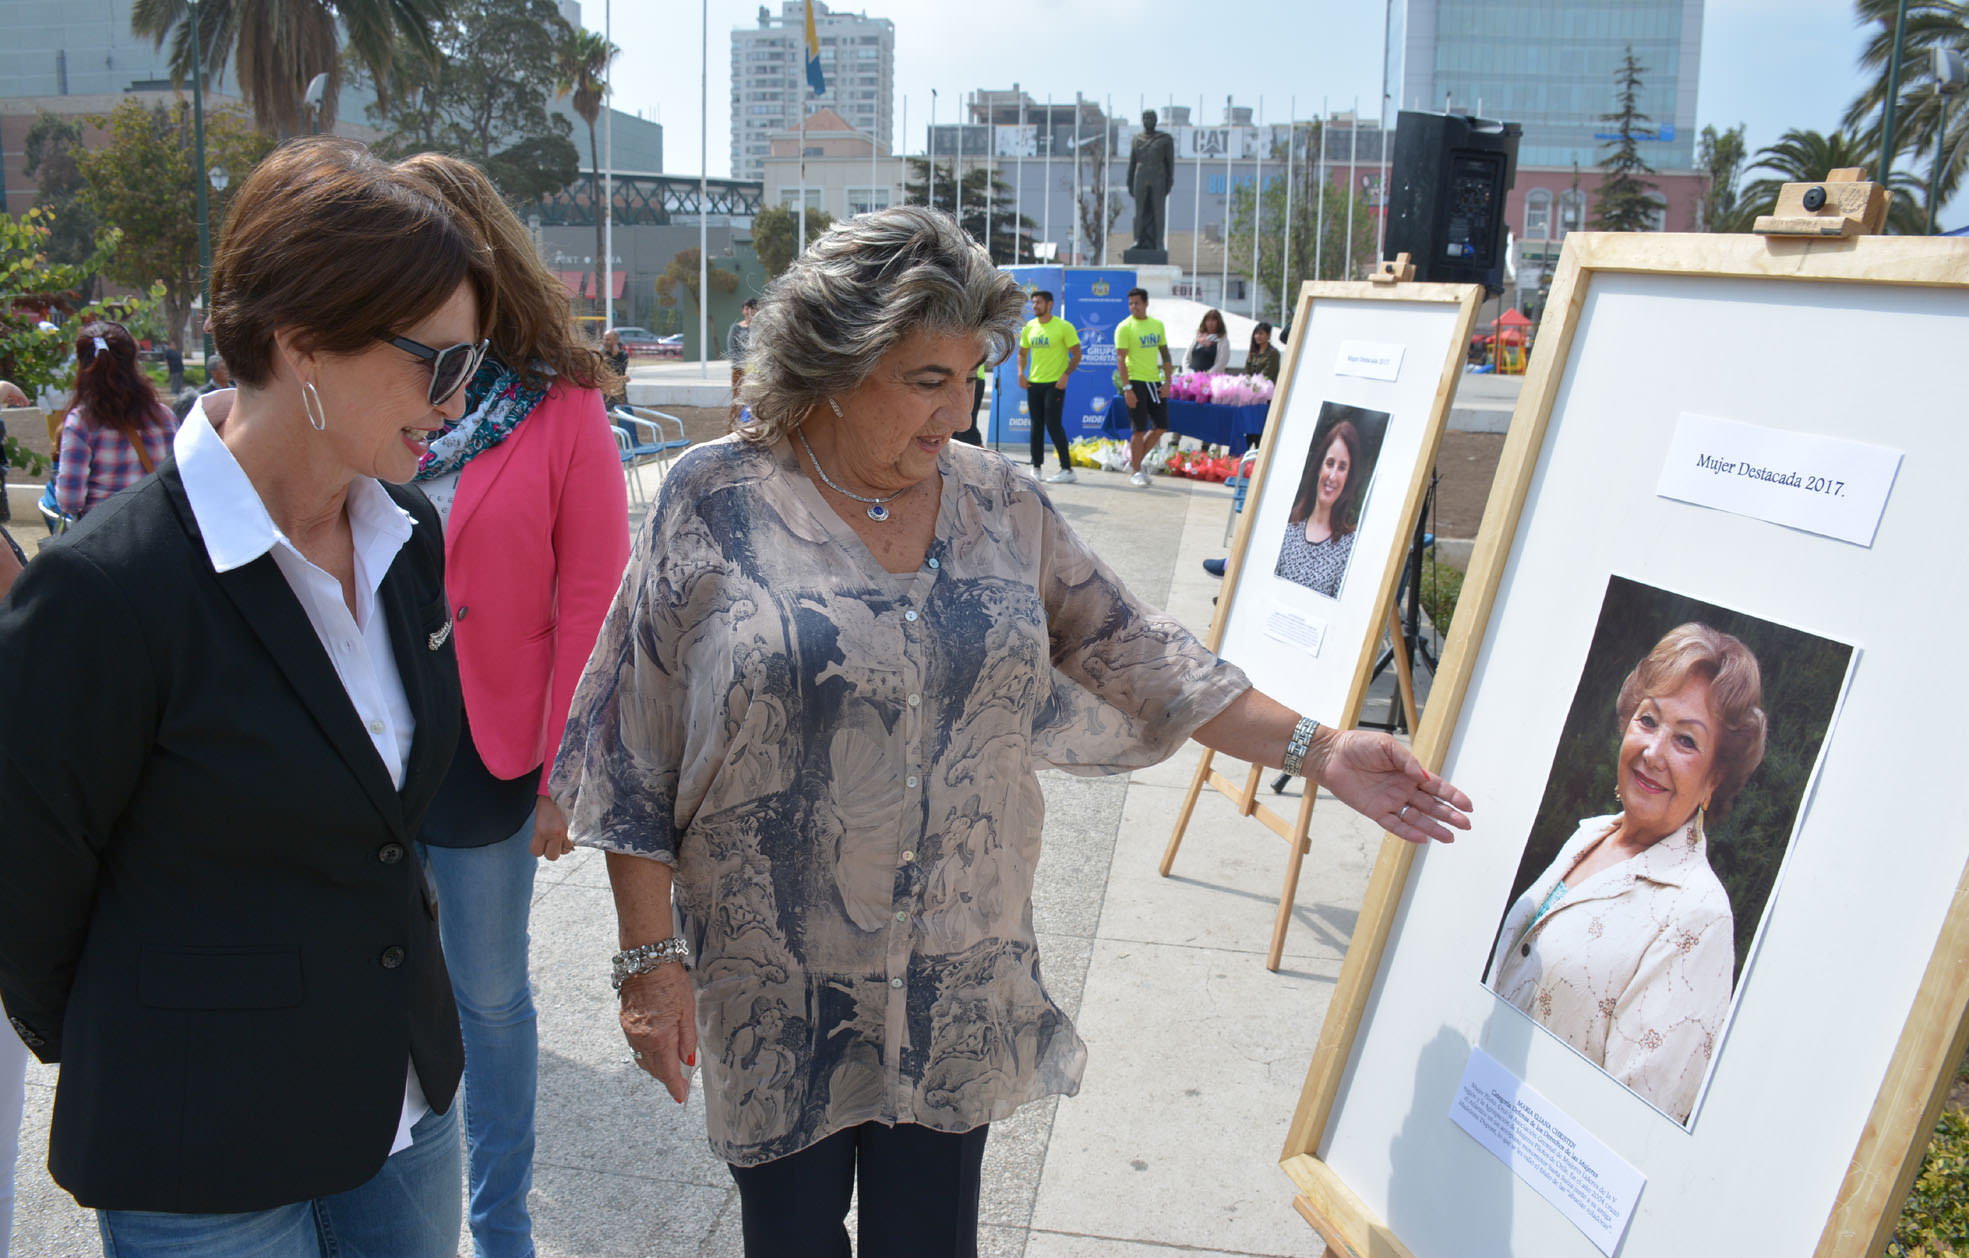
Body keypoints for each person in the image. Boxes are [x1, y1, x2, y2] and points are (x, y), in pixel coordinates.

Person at [548, 206, 1472, 1258]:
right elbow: (635, 748)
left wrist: (1320, 746)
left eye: (970, 374)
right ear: (834, 366)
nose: (958, 408)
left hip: (955, 978)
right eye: (924, 379)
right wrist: (647, 962)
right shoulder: (711, 498)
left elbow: (1141, 652)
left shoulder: (1000, 504)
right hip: (776, 985)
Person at [0, 137, 492, 1257]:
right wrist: (161, 1031)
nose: (456, 400)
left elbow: (387, 824)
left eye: (472, 366)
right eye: (435, 363)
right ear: (303, 341)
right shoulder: (105, 590)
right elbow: (25, 886)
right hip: (201, 1146)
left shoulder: (407, 536)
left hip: (405, 1106)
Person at [396, 150, 632, 1258]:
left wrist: (564, 778)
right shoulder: (368, 383)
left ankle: (498, 1226)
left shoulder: (562, 402)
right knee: (369, 991)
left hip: (490, 754)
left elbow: (593, 599)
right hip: (359, 746)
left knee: (487, 999)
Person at [1487, 624, 1766, 1124]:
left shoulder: (1697, 915)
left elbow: (1635, 1121)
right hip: (1476, 1114)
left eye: (1685, 740)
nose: (1653, 752)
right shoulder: (1588, 837)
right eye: (1648, 720)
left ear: (1714, 778)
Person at [52, 321, 178, 521]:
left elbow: (70, 501)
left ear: (82, 364)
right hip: (158, 532)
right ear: (133, 361)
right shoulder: (164, 416)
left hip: (103, 539)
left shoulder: (82, 422)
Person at [1274, 418, 1364, 598]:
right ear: (1319, 467)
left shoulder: (1350, 547)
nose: (1332, 476)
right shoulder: (1287, 532)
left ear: (1348, 477)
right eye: (1330, 463)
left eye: (1342, 467)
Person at [1017, 289, 1081, 482]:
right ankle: (1036, 467)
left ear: (1050, 304)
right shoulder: (1029, 326)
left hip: (1055, 384)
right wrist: (1021, 373)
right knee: (1036, 426)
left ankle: (1067, 470)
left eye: (1038, 302)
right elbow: (1022, 352)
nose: (1035, 306)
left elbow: (1077, 354)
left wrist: (1066, 375)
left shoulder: (1064, 326)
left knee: (1053, 425)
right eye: (1033, 302)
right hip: (1034, 383)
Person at [1115, 287, 1172, 488]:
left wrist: (1167, 382)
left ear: (1146, 303)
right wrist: (1127, 388)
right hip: (1135, 381)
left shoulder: (1157, 325)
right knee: (1138, 430)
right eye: (1130, 303)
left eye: (1137, 303)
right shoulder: (1124, 327)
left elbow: (1165, 354)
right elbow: (1120, 358)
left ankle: (1135, 461)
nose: (1134, 307)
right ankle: (1137, 470)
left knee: (1160, 427)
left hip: (1154, 382)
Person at [1126, 110, 1176, 253]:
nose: (1148, 120)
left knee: (1158, 210)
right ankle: (1137, 240)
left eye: (1151, 118)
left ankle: (1158, 242)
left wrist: (1169, 181)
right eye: (1145, 118)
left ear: (1156, 121)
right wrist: (1129, 181)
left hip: (1157, 176)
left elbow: (1170, 163)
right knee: (1139, 211)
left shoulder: (1165, 139)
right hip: (1140, 175)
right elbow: (1132, 163)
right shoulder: (1136, 139)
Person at [1188, 309, 1230, 374]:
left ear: (1218, 322)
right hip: (1192, 378)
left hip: (1211, 379)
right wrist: (1188, 372)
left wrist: (1207, 374)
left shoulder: (1222, 340)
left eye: (1213, 320)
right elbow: (1186, 358)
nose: (1210, 323)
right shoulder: (1197, 337)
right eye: (1207, 320)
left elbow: (1222, 362)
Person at [601, 330, 630, 409]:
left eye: (608, 340)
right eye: (604, 339)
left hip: (619, 391)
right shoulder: (601, 354)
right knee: (604, 415)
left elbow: (620, 371)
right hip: (605, 391)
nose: (605, 342)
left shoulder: (623, 355)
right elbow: (604, 372)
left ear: (616, 341)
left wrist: (615, 356)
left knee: (625, 414)